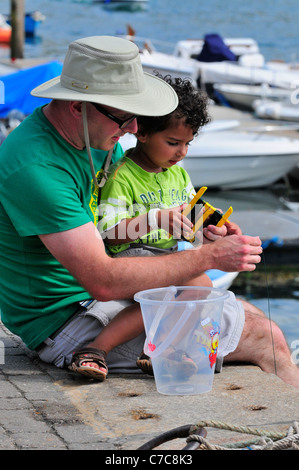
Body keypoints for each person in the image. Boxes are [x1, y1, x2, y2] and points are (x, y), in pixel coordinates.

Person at [0, 36, 297, 390]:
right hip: (68, 321)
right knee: (267, 336)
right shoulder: (37, 166)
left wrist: (203, 226)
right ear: (78, 105)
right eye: (124, 118)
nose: (135, 130)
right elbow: (103, 280)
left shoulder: (89, 136)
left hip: (94, 300)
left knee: (246, 314)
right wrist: (210, 257)